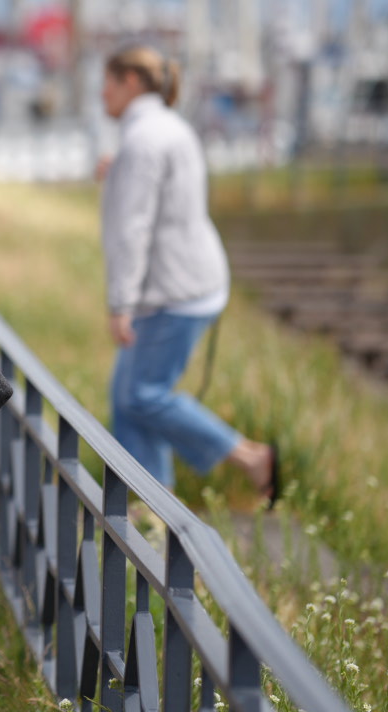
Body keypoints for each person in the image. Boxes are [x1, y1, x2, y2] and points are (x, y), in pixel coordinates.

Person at [99, 45, 277, 506]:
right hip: (191, 280)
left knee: (142, 395)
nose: (102, 93)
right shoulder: (166, 129)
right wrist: (117, 174)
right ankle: (152, 504)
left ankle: (247, 458)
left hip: (173, 290)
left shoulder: (142, 141)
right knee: (130, 396)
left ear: (132, 83)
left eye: (109, 82)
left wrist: (121, 305)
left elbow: (132, 231)